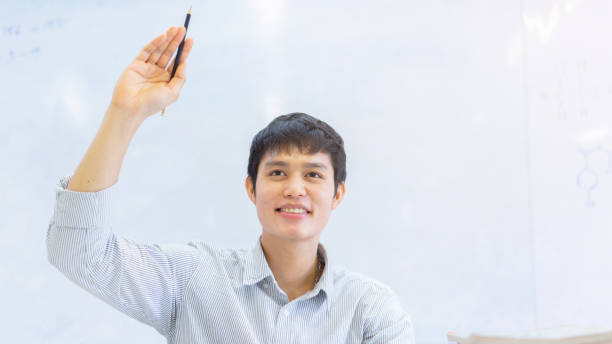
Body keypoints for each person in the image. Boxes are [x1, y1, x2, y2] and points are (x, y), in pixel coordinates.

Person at [47, 26, 414, 343]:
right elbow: (78, 251)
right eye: (277, 172)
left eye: (314, 174)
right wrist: (124, 113)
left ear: (338, 195)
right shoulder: (194, 278)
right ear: (251, 189)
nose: (295, 188)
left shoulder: (372, 310)